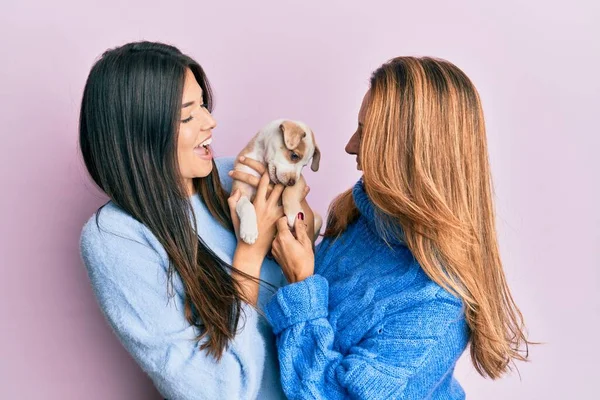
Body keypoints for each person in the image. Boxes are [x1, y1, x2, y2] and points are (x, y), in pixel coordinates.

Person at [232, 56, 530, 399]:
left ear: (411, 152)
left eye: (366, 132)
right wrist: (287, 233)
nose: (349, 146)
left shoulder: (438, 305)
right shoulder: (362, 216)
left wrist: (301, 282)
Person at [78, 41, 311, 399]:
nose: (210, 122)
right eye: (188, 116)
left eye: (203, 104)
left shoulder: (236, 177)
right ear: (141, 135)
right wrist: (249, 255)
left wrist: (306, 230)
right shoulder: (116, 238)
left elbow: (313, 290)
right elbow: (214, 391)